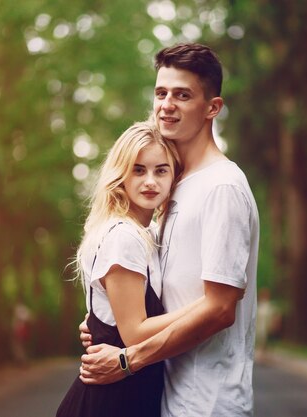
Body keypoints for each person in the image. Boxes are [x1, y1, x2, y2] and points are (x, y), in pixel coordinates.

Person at [79, 43, 260, 416]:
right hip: (169, 396)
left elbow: (221, 308)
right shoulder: (174, 184)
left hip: (209, 402)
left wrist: (129, 358)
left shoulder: (221, 186)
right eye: (161, 93)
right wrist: (105, 323)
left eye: (182, 95)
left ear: (212, 108)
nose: (166, 105)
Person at [56, 121, 206, 417]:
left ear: (174, 175)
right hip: (111, 402)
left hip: (128, 396)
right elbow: (135, 333)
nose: (150, 181)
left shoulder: (146, 232)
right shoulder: (124, 236)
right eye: (139, 170)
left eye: (160, 170)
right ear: (121, 174)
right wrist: (207, 306)